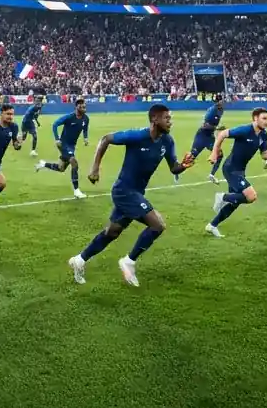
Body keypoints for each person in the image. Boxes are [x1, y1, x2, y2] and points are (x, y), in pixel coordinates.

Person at [69, 104, 194, 287]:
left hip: (136, 192)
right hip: (124, 191)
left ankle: (79, 260)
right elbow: (106, 139)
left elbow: (173, 167)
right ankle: (129, 261)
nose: (170, 122)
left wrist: (183, 165)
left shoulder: (167, 141)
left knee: (112, 232)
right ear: (154, 120)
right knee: (157, 225)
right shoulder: (138, 136)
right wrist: (95, 167)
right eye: (167, 118)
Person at [205, 107, 267, 238]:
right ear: (255, 118)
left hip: (240, 171)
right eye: (264, 118)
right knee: (251, 196)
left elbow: (263, 154)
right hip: (231, 169)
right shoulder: (245, 130)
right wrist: (214, 152)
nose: (266, 122)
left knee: (235, 203)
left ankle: (212, 225)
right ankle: (222, 197)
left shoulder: (263, 135)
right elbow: (222, 134)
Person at [37, 98, 91, 198]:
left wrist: (86, 138)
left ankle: (43, 164)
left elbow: (85, 129)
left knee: (61, 168)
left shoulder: (86, 119)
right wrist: (57, 139)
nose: (84, 108)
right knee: (74, 163)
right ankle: (76, 191)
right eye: (82, 107)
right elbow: (55, 125)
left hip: (72, 146)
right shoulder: (69, 117)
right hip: (64, 144)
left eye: (85, 106)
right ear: (77, 107)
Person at [181, 94, 226, 184]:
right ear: (218, 102)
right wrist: (217, 128)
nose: (224, 102)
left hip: (210, 137)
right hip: (201, 136)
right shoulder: (212, 110)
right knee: (191, 158)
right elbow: (204, 125)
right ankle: (178, 171)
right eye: (222, 100)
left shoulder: (221, 110)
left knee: (220, 154)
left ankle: (211, 175)